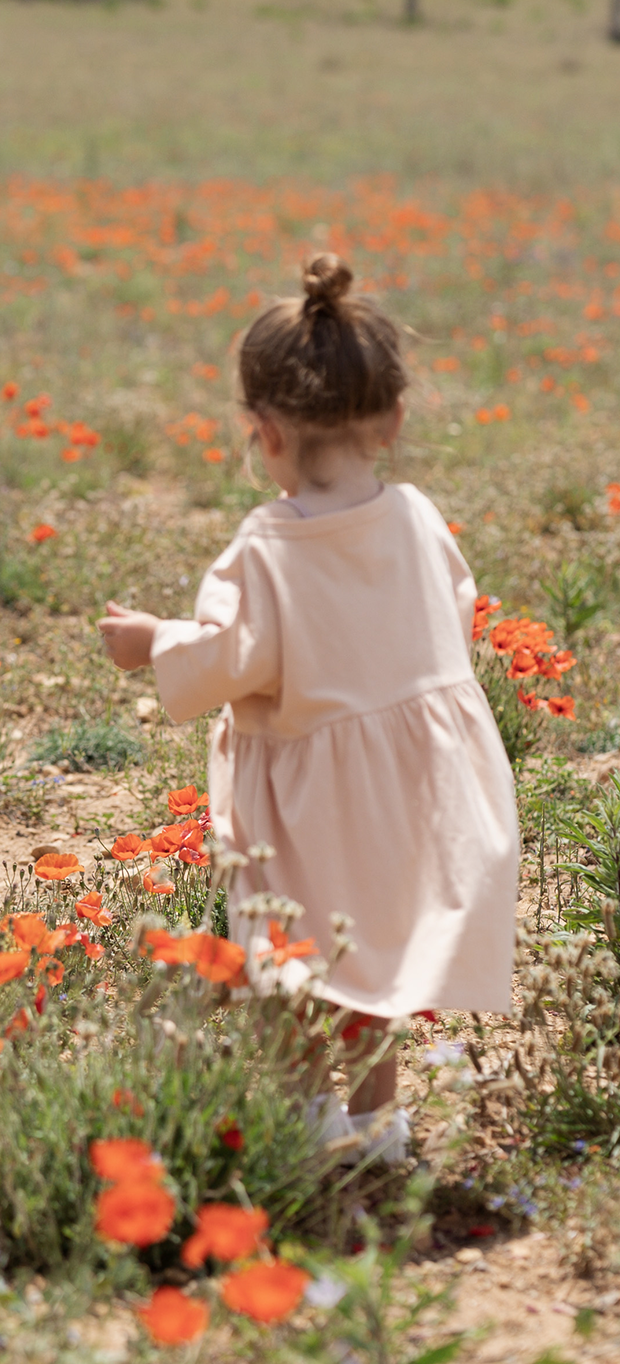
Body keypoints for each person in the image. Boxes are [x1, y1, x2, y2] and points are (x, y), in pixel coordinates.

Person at [97, 253, 519, 1157]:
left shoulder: (267, 547)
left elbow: (231, 657)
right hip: (416, 785)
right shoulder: (415, 515)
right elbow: (452, 617)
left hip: (311, 799)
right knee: (373, 956)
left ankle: (300, 1115)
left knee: (290, 960)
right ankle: (377, 1122)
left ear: (265, 434)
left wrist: (150, 643)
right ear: (395, 417)